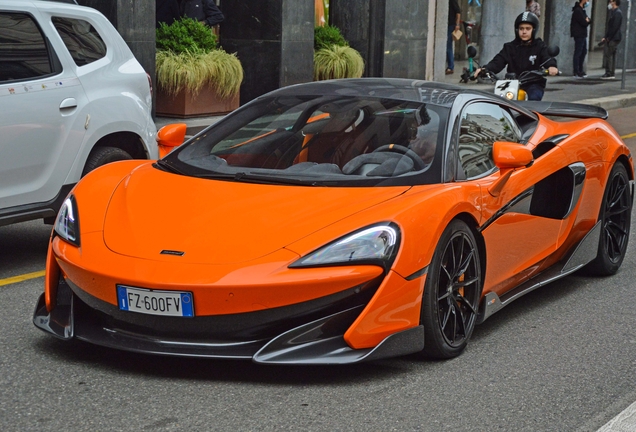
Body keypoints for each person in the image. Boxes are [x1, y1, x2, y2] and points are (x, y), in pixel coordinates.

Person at [473, 12, 558, 101]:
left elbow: (547, 57)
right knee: (499, 101)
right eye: (521, 28)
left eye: (528, 29)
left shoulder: (540, 46)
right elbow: (498, 61)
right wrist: (485, 69)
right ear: (517, 30)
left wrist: (551, 66)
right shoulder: (510, 47)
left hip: (533, 83)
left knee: (533, 98)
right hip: (512, 83)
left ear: (534, 30)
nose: (524, 31)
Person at [601, 0, 623, 80]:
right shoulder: (613, 12)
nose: (609, 3)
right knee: (611, 55)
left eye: (611, 1)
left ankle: (609, 72)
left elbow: (614, 27)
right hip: (613, 37)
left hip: (614, 38)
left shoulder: (617, 13)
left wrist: (608, 37)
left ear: (614, 2)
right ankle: (610, 72)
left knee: (608, 55)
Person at [571, 0, 591, 78]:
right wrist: (587, 20)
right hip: (579, 34)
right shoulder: (578, 11)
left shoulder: (582, 10)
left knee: (583, 51)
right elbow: (584, 22)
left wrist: (587, 20)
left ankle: (580, 70)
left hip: (582, 34)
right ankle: (576, 71)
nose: (588, 1)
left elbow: (588, 20)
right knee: (578, 52)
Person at [446, 0, 461, 75]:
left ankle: (450, 67)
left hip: (450, 25)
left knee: (448, 46)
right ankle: (450, 66)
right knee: (448, 46)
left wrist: (457, 24)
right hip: (447, 25)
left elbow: (458, 12)